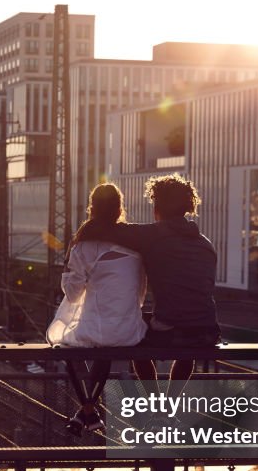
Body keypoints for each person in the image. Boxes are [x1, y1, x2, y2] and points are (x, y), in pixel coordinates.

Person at [78, 173, 220, 391]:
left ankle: (155, 404)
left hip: (172, 332)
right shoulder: (205, 243)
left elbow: (106, 228)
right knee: (187, 344)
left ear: (157, 207)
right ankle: (170, 405)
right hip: (207, 331)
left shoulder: (152, 235)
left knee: (135, 333)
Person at [47, 183, 147, 433]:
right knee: (105, 346)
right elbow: (141, 293)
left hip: (102, 331)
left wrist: (68, 273)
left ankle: (87, 410)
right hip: (130, 330)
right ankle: (88, 413)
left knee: (63, 344)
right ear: (119, 209)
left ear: (92, 208)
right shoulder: (135, 243)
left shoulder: (84, 245)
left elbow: (72, 294)